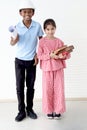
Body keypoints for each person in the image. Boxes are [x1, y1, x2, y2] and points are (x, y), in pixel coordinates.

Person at [10, 0, 43, 122]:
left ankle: (30, 109)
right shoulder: (16, 27)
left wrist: (37, 54)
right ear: (20, 13)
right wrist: (15, 39)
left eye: (30, 11)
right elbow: (12, 43)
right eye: (24, 11)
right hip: (19, 61)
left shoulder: (37, 26)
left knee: (30, 86)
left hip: (31, 61)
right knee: (19, 87)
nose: (27, 13)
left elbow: (42, 42)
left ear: (33, 13)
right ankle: (21, 111)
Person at [37, 19, 70, 119]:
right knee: (47, 90)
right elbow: (39, 55)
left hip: (58, 69)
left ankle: (58, 110)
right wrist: (49, 55)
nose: (50, 31)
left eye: (52, 29)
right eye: (48, 29)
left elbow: (67, 55)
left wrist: (62, 56)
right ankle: (49, 110)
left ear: (55, 29)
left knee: (59, 89)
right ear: (44, 30)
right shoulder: (42, 42)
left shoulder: (59, 41)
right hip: (47, 70)